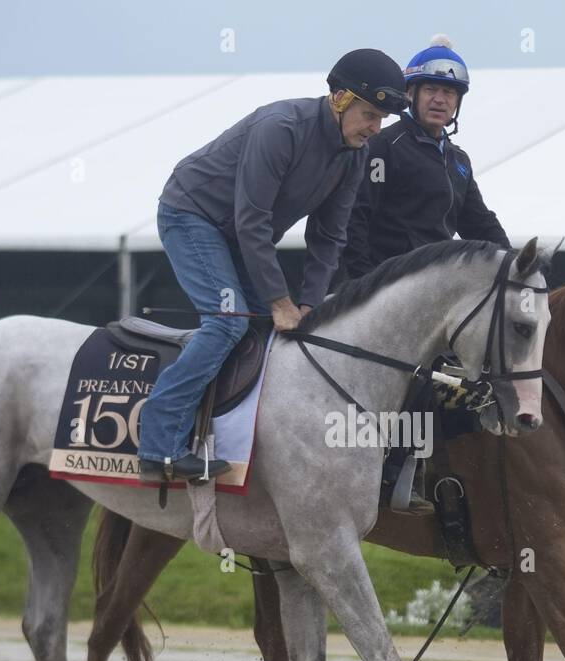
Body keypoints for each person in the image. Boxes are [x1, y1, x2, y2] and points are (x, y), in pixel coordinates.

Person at [137, 49, 409, 481]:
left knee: (266, 333)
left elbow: (329, 237)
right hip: (191, 215)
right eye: (370, 115)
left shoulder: (355, 155)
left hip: (239, 234)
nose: (376, 128)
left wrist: (309, 306)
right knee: (227, 323)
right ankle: (158, 449)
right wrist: (281, 302)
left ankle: (223, 440)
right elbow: (252, 222)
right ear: (340, 99)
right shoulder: (280, 128)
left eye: (382, 120)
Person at [340, 34, 509, 281]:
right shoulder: (383, 145)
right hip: (383, 285)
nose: (439, 99)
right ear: (410, 93)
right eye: (431, 89)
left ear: (457, 102)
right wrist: (365, 283)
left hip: (434, 286)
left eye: (449, 92)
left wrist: (517, 263)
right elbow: (355, 218)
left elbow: (480, 224)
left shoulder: (458, 160)